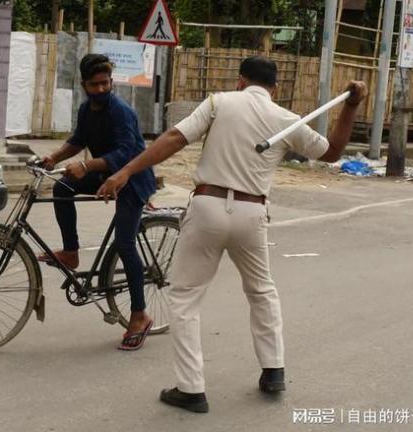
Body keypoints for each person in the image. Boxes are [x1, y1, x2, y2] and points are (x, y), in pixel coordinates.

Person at [97, 56, 368, 413]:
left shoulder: (219, 102)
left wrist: (126, 172)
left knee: (185, 298)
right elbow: (333, 153)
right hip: (252, 212)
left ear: (241, 81)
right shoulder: (286, 120)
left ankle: (191, 389)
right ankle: (274, 371)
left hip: (208, 207)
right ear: (273, 89)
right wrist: (350, 106)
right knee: (261, 291)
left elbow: (176, 138)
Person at [38, 54, 157, 350]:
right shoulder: (85, 109)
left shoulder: (122, 111)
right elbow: (79, 140)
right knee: (63, 186)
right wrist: (55, 157)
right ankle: (70, 252)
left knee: (125, 243)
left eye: (106, 83)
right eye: (95, 85)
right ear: (83, 85)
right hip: (106, 173)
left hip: (133, 177)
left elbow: (127, 152)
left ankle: (140, 315)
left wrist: (87, 166)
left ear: (111, 82)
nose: (101, 89)